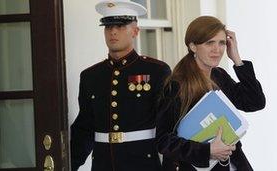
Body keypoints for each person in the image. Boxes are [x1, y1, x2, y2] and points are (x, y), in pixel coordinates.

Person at [70, 0, 171, 171]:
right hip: (104, 164)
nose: (113, 32)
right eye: (108, 27)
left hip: (143, 164)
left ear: (135, 31)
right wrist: (69, 165)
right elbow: (84, 129)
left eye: (121, 26)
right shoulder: (90, 76)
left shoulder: (156, 71)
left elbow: (168, 125)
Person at [156, 16, 266, 171]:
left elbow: (254, 102)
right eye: (210, 43)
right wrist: (207, 151)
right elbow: (163, 141)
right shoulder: (177, 85)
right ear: (193, 46)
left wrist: (237, 60)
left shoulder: (219, 75)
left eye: (222, 43)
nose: (217, 49)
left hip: (230, 164)